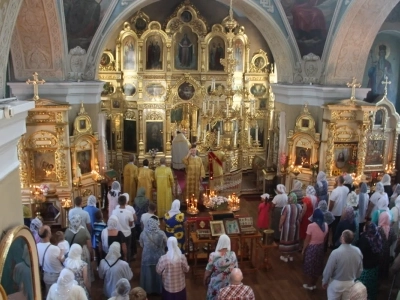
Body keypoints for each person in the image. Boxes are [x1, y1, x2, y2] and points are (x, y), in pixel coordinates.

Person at [322, 230, 363, 300]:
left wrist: (325, 281)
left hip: (336, 283)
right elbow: (360, 269)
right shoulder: (357, 251)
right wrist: (355, 277)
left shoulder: (335, 252)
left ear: (343, 238)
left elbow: (329, 269)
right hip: (350, 282)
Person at [204, 234, 238, 300]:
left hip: (215, 285)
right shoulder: (233, 254)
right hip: (228, 285)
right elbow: (236, 270)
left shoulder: (213, 255)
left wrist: (205, 281)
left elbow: (207, 271)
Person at [139, 217, 167, 294]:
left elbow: (141, 245)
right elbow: (166, 243)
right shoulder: (161, 233)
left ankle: (148, 290)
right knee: (159, 272)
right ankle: (159, 290)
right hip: (159, 256)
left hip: (147, 257)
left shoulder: (143, 233)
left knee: (148, 274)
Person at [302, 209, 328, 290]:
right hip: (320, 247)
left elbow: (307, 240)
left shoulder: (311, 226)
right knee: (317, 266)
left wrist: (303, 249)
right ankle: (314, 284)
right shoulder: (326, 225)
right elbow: (325, 238)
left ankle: (309, 285)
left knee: (310, 266)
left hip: (312, 248)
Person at [64, 214, 94, 283]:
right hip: (82, 253)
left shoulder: (67, 231)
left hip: (71, 252)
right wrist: (91, 254)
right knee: (83, 270)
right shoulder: (84, 231)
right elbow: (89, 244)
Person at [357, 223, 382, 300]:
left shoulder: (365, 239)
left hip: (365, 267)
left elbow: (360, 252)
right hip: (375, 266)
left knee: (362, 287)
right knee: (372, 285)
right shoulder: (378, 236)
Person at [37, 225, 65, 295]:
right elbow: (63, 260)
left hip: (46, 275)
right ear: (48, 234)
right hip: (57, 276)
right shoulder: (54, 248)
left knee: (49, 295)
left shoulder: (36, 246)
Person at [279, 192, 302, 262]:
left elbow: (283, 217)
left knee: (286, 240)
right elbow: (300, 218)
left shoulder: (287, 207)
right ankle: (291, 256)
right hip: (296, 226)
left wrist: (279, 226)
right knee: (293, 240)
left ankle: (285, 256)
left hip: (287, 227)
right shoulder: (299, 206)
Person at [112, 194, 135, 262]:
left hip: (117, 233)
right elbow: (131, 224)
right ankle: (127, 264)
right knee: (127, 248)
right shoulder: (129, 212)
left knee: (119, 249)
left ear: (118, 202)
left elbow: (113, 222)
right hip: (127, 233)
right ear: (126, 202)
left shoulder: (114, 212)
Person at [329, 175, 349, 247]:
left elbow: (331, 203)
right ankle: (340, 242)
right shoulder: (346, 189)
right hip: (343, 212)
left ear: (338, 181)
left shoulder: (335, 191)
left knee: (334, 229)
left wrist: (329, 210)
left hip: (335, 212)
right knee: (341, 229)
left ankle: (334, 244)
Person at [117, 193, 138, 261]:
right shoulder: (130, 208)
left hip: (119, 231)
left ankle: (122, 258)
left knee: (121, 246)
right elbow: (134, 219)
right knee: (130, 245)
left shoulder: (115, 209)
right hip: (128, 231)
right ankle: (130, 257)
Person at [378, 212, 397, 279]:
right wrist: (388, 244)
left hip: (379, 251)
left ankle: (379, 279)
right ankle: (384, 278)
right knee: (386, 264)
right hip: (387, 250)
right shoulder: (391, 229)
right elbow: (394, 238)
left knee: (379, 264)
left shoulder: (378, 229)